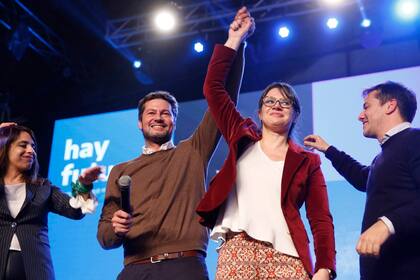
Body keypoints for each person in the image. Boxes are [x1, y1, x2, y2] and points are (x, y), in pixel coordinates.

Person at [96, 8, 249, 280]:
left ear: (174, 121)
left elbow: (223, 99)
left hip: (185, 267)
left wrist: (235, 43)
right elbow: (106, 237)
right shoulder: (120, 171)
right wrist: (115, 228)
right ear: (140, 123)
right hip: (134, 270)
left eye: (166, 112)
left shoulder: (193, 152)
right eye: (151, 113)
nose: (158, 117)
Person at [196, 8, 336, 280]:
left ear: (295, 113)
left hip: (288, 257)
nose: (277, 105)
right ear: (259, 112)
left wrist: (325, 267)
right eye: (269, 101)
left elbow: (320, 219)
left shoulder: (308, 161)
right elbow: (213, 89)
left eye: (285, 102)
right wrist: (234, 40)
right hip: (237, 251)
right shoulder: (242, 135)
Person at [304, 81, 420, 279]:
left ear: (390, 106)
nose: (360, 116)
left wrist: (388, 223)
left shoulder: (415, 140)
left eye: (366, 106)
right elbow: (363, 178)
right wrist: (329, 150)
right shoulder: (384, 155)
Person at [0, 123, 101, 280]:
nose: (30, 151)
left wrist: (84, 185)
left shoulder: (43, 187)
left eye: (33, 147)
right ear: (5, 148)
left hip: (36, 271)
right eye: (23, 145)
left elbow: (75, 210)